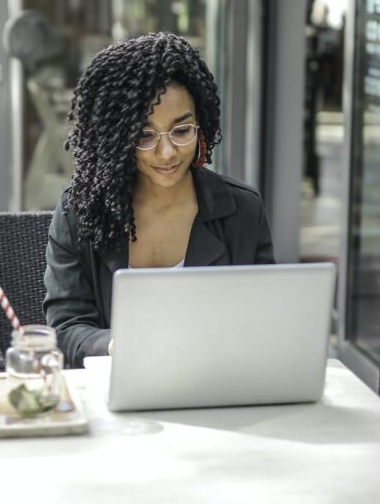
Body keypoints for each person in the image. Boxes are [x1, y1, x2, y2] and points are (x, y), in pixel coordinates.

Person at [43, 33, 276, 368]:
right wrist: (116, 345)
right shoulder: (79, 212)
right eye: (144, 135)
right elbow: (65, 329)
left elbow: (265, 322)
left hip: (218, 385)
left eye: (181, 131)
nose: (166, 153)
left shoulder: (242, 211)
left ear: (201, 126)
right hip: (115, 392)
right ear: (117, 138)